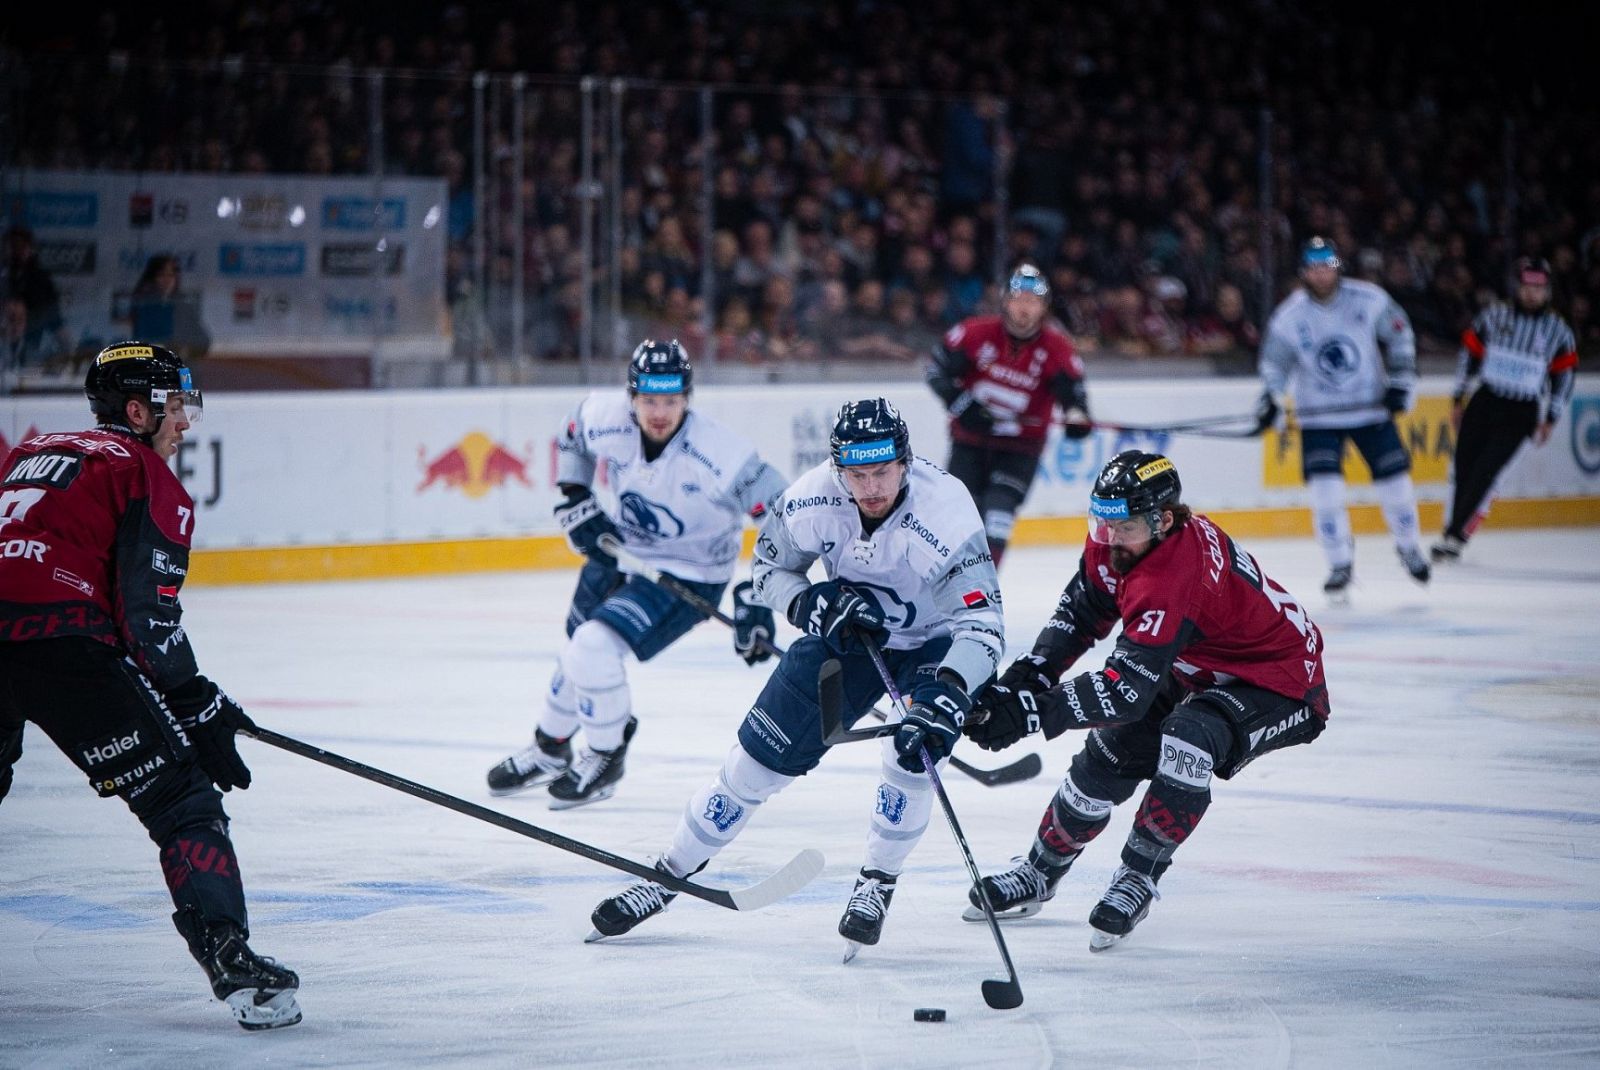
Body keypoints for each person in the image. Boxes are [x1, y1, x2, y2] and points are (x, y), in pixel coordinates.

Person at [585, 399, 1004, 957]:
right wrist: (805, 602)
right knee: (752, 761)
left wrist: (950, 695)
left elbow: (982, 625)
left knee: (911, 758)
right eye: (858, 474)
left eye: (883, 471)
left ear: (906, 461)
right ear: (838, 469)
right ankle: (667, 874)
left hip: (937, 642)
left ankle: (876, 883)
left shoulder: (945, 510)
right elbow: (767, 569)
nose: (872, 487)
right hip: (851, 635)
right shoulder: (811, 497)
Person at [0, 341, 300, 1030]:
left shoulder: (29, 453)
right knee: (183, 800)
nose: (184, 425)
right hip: (65, 651)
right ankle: (230, 958)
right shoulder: (141, 472)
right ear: (137, 411)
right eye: (173, 409)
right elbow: (147, 618)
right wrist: (197, 702)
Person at [961, 450, 1329, 950]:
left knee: (1189, 740)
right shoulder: (1118, 537)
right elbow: (1082, 612)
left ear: (1165, 521)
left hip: (1278, 681)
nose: (1109, 536)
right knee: (1110, 754)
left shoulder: (1175, 574)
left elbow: (1123, 691)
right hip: (1193, 663)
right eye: (1102, 521)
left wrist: (1031, 714)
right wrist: (1024, 680)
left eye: (1125, 526)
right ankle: (1039, 872)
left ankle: (1138, 876)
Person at [485, 340, 787, 809]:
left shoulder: (719, 453)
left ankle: (606, 757)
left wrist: (758, 594)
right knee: (575, 652)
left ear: (687, 398)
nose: (660, 412)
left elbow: (781, 516)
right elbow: (571, 435)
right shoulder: (606, 419)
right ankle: (550, 749)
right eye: (649, 400)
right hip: (622, 550)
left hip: (691, 572)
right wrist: (574, 497)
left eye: (671, 401)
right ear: (632, 397)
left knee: (592, 646)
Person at [1257, 237, 1429, 599]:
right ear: (1304, 272)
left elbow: (1401, 337)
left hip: (1370, 410)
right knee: (1326, 495)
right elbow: (1274, 364)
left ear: (1338, 267)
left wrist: (1401, 382)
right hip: (1318, 418)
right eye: (1314, 267)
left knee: (1396, 485)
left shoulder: (1370, 299)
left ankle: (1409, 546)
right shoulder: (1290, 316)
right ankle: (1339, 563)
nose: (1321, 274)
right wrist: (1272, 399)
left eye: (1328, 266)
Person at [926, 263, 1093, 566]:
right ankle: (949, 585)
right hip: (970, 442)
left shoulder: (1058, 348)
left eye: (1032, 302)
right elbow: (935, 370)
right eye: (1018, 300)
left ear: (1043, 307)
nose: (1024, 309)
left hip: (1021, 449)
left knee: (999, 510)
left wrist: (1077, 417)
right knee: (960, 514)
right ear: (1005, 301)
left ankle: (984, 587)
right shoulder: (974, 333)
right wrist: (964, 405)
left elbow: (1075, 398)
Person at [1432, 257, 1579, 561]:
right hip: (1486, 400)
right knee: (1463, 467)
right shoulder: (1495, 316)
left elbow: (1563, 378)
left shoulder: (1558, 331)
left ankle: (1456, 534)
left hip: (1521, 409)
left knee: (1487, 471)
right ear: (1519, 287)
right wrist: (1458, 398)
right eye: (1527, 287)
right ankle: (1452, 529)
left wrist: (1551, 417)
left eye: (1538, 288)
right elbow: (1468, 355)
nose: (1532, 294)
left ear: (1547, 291)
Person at [128, 255, 212, 365]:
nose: (166, 280)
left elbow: (203, 341)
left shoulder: (184, 306)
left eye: (171, 275)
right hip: (150, 367)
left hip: (181, 368)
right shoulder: (143, 304)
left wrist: (185, 350)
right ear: (152, 277)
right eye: (161, 275)